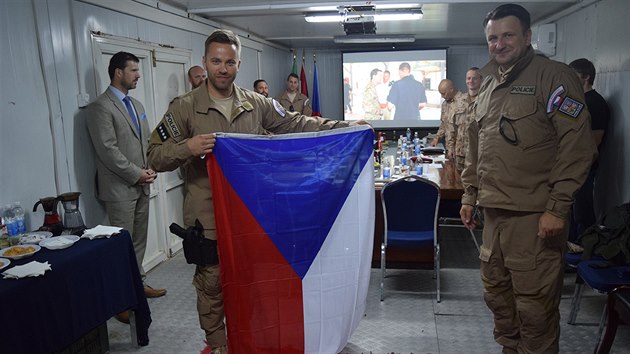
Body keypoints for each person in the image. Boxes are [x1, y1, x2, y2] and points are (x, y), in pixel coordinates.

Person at [146, 29, 369, 354]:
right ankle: (219, 346)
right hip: (208, 220)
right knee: (211, 287)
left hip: (252, 217)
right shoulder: (185, 108)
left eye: (230, 62)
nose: (223, 68)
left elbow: (297, 123)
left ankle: (251, 340)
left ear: (239, 63)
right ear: (205, 62)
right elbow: (153, 155)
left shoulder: (256, 104)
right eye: (216, 61)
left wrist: (345, 126)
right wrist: (188, 147)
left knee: (253, 285)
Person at [459, 4, 597, 353]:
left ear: (527, 36)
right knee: (500, 303)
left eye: (507, 35)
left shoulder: (554, 78)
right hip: (494, 217)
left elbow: (578, 148)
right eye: (493, 38)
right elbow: (478, 146)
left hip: (535, 218)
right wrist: (469, 195)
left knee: (535, 311)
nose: (499, 44)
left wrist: (558, 207)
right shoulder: (489, 85)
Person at [86, 52, 167, 320]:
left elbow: (145, 142)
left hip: (142, 183)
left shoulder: (138, 105)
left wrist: (151, 166)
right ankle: (120, 300)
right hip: (120, 189)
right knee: (121, 245)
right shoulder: (101, 107)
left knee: (138, 243)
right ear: (118, 73)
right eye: (133, 70)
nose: (138, 75)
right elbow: (107, 151)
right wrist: (137, 174)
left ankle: (138, 286)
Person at [568, 58, 610, 242]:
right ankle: (569, 246)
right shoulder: (577, 100)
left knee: (582, 212)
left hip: (584, 167)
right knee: (570, 210)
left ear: (585, 77)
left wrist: (581, 165)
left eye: (573, 76)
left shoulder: (596, 103)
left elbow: (595, 139)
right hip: (569, 165)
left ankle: (585, 248)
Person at [450, 68, 482, 174]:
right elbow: (452, 126)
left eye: (474, 78)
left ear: (481, 80)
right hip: (460, 153)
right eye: (468, 78)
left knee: (476, 185)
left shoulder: (485, 101)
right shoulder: (459, 101)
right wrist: (451, 147)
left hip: (477, 154)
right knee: (459, 186)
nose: (471, 81)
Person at [431, 79, 466, 158]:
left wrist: (454, 146)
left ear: (451, 89)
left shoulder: (465, 101)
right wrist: (437, 138)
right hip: (449, 148)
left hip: (461, 150)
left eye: (444, 93)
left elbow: (464, 128)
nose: (442, 96)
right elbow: (444, 124)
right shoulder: (445, 104)